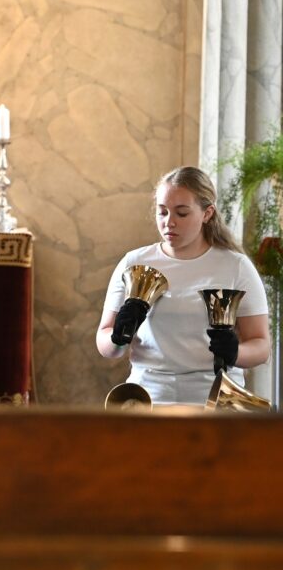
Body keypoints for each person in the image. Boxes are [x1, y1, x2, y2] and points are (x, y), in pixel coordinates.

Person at [96, 166, 270, 405]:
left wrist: (235, 353)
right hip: (148, 398)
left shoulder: (235, 266)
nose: (169, 222)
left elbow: (261, 346)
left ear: (207, 213)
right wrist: (118, 337)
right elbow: (107, 346)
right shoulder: (134, 263)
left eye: (181, 213)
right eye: (162, 212)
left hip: (215, 401)